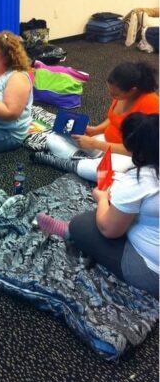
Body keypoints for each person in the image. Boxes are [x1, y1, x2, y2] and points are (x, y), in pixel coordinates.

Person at [36, 113, 159, 299]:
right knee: (117, 211)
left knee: (84, 223)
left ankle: (71, 233)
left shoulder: (143, 179)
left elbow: (110, 230)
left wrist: (101, 199)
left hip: (150, 272)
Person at [31, 62, 159, 181]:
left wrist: (95, 144)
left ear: (133, 90)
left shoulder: (151, 104)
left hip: (127, 154)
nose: (111, 97)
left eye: (115, 95)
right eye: (110, 92)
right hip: (105, 143)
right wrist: (95, 130)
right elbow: (113, 118)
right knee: (52, 139)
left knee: (97, 172)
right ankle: (82, 161)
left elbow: (138, 150)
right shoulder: (121, 95)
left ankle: (74, 163)